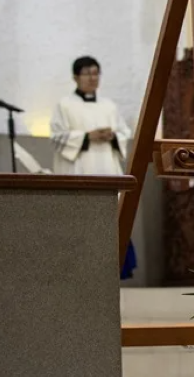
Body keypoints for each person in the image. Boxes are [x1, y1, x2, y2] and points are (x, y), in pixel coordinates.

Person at [50, 56, 137, 279]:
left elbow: (124, 134)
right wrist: (87, 137)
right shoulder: (64, 105)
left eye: (96, 73)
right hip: (80, 170)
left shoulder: (109, 106)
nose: (93, 78)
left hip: (107, 169)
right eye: (87, 73)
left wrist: (113, 136)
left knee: (111, 223)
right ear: (75, 77)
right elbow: (57, 138)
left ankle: (114, 272)